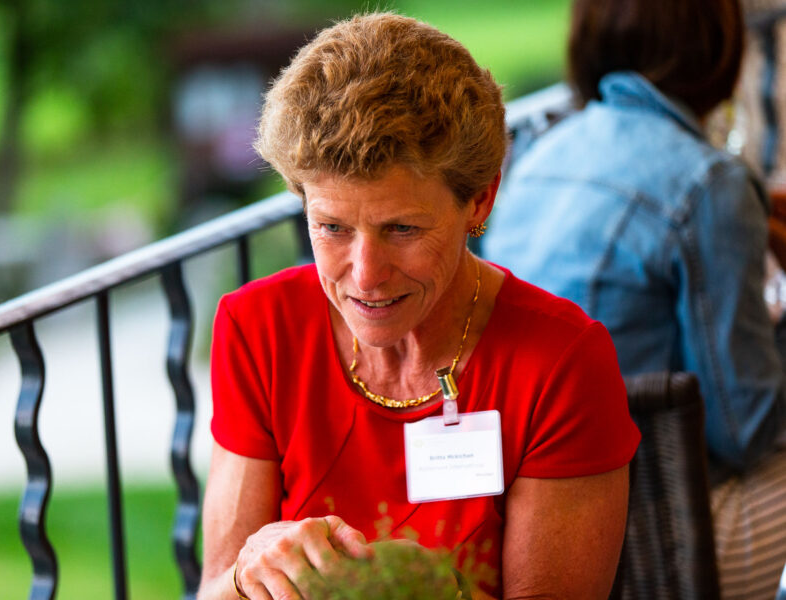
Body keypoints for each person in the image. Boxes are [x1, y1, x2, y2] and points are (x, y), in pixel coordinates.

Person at [198, 13, 640, 600]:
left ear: (480, 201)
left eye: (401, 228)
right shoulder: (260, 328)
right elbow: (212, 593)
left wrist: (435, 592)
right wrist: (248, 568)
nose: (365, 274)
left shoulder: (559, 361)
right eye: (331, 227)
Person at [483, 0, 786, 597]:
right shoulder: (708, 182)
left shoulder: (541, 149)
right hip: (654, 539)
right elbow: (745, 427)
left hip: (521, 525)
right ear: (720, 49)